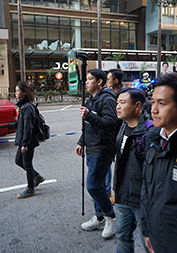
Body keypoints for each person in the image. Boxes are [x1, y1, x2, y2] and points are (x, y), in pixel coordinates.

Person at [141, 73, 177, 253]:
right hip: (155, 237)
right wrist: (146, 231)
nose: (153, 110)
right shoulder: (154, 141)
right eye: (153, 102)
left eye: (162, 103)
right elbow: (146, 190)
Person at [76, 69, 118, 239]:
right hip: (91, 148)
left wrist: (90, 116)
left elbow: (111, 123)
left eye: (90, 79)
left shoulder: (107, 99)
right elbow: (88, 126)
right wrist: (81, 142)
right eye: (86, 79)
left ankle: (111, 217)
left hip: (103, 149)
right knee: (97, 185)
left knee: (92, 185)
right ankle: (100, 217)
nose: (86, 82)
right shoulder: (91, 100)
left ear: (99, 82)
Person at [114, 87, 152, 253]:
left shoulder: (150, 133)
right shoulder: (123, 126)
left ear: (137, 106)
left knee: (150, 243)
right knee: (121, 236)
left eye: (122, 102)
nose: (118, 106)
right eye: (117, 103)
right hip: (123, 194)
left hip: (142, 200)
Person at [15, 81, 45, 199]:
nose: (15, 93)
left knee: (27, 163)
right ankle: (36, 176)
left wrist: (25, 143)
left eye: (17, 91)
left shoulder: (27, 107)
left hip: (28, 141)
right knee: (18, 161)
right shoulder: (23, 106)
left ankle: (30, 188)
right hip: (23, 140)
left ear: (24, 93)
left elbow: (28, 127)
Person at [106, 68, 124, 201]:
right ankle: (109, 192)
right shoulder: (112, 94)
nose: (107, 82)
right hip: (115, 135)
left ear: (116, 81)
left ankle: (117, 193)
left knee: (120, 165)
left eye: (108, 79)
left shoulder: (123, 95)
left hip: (121, 135)